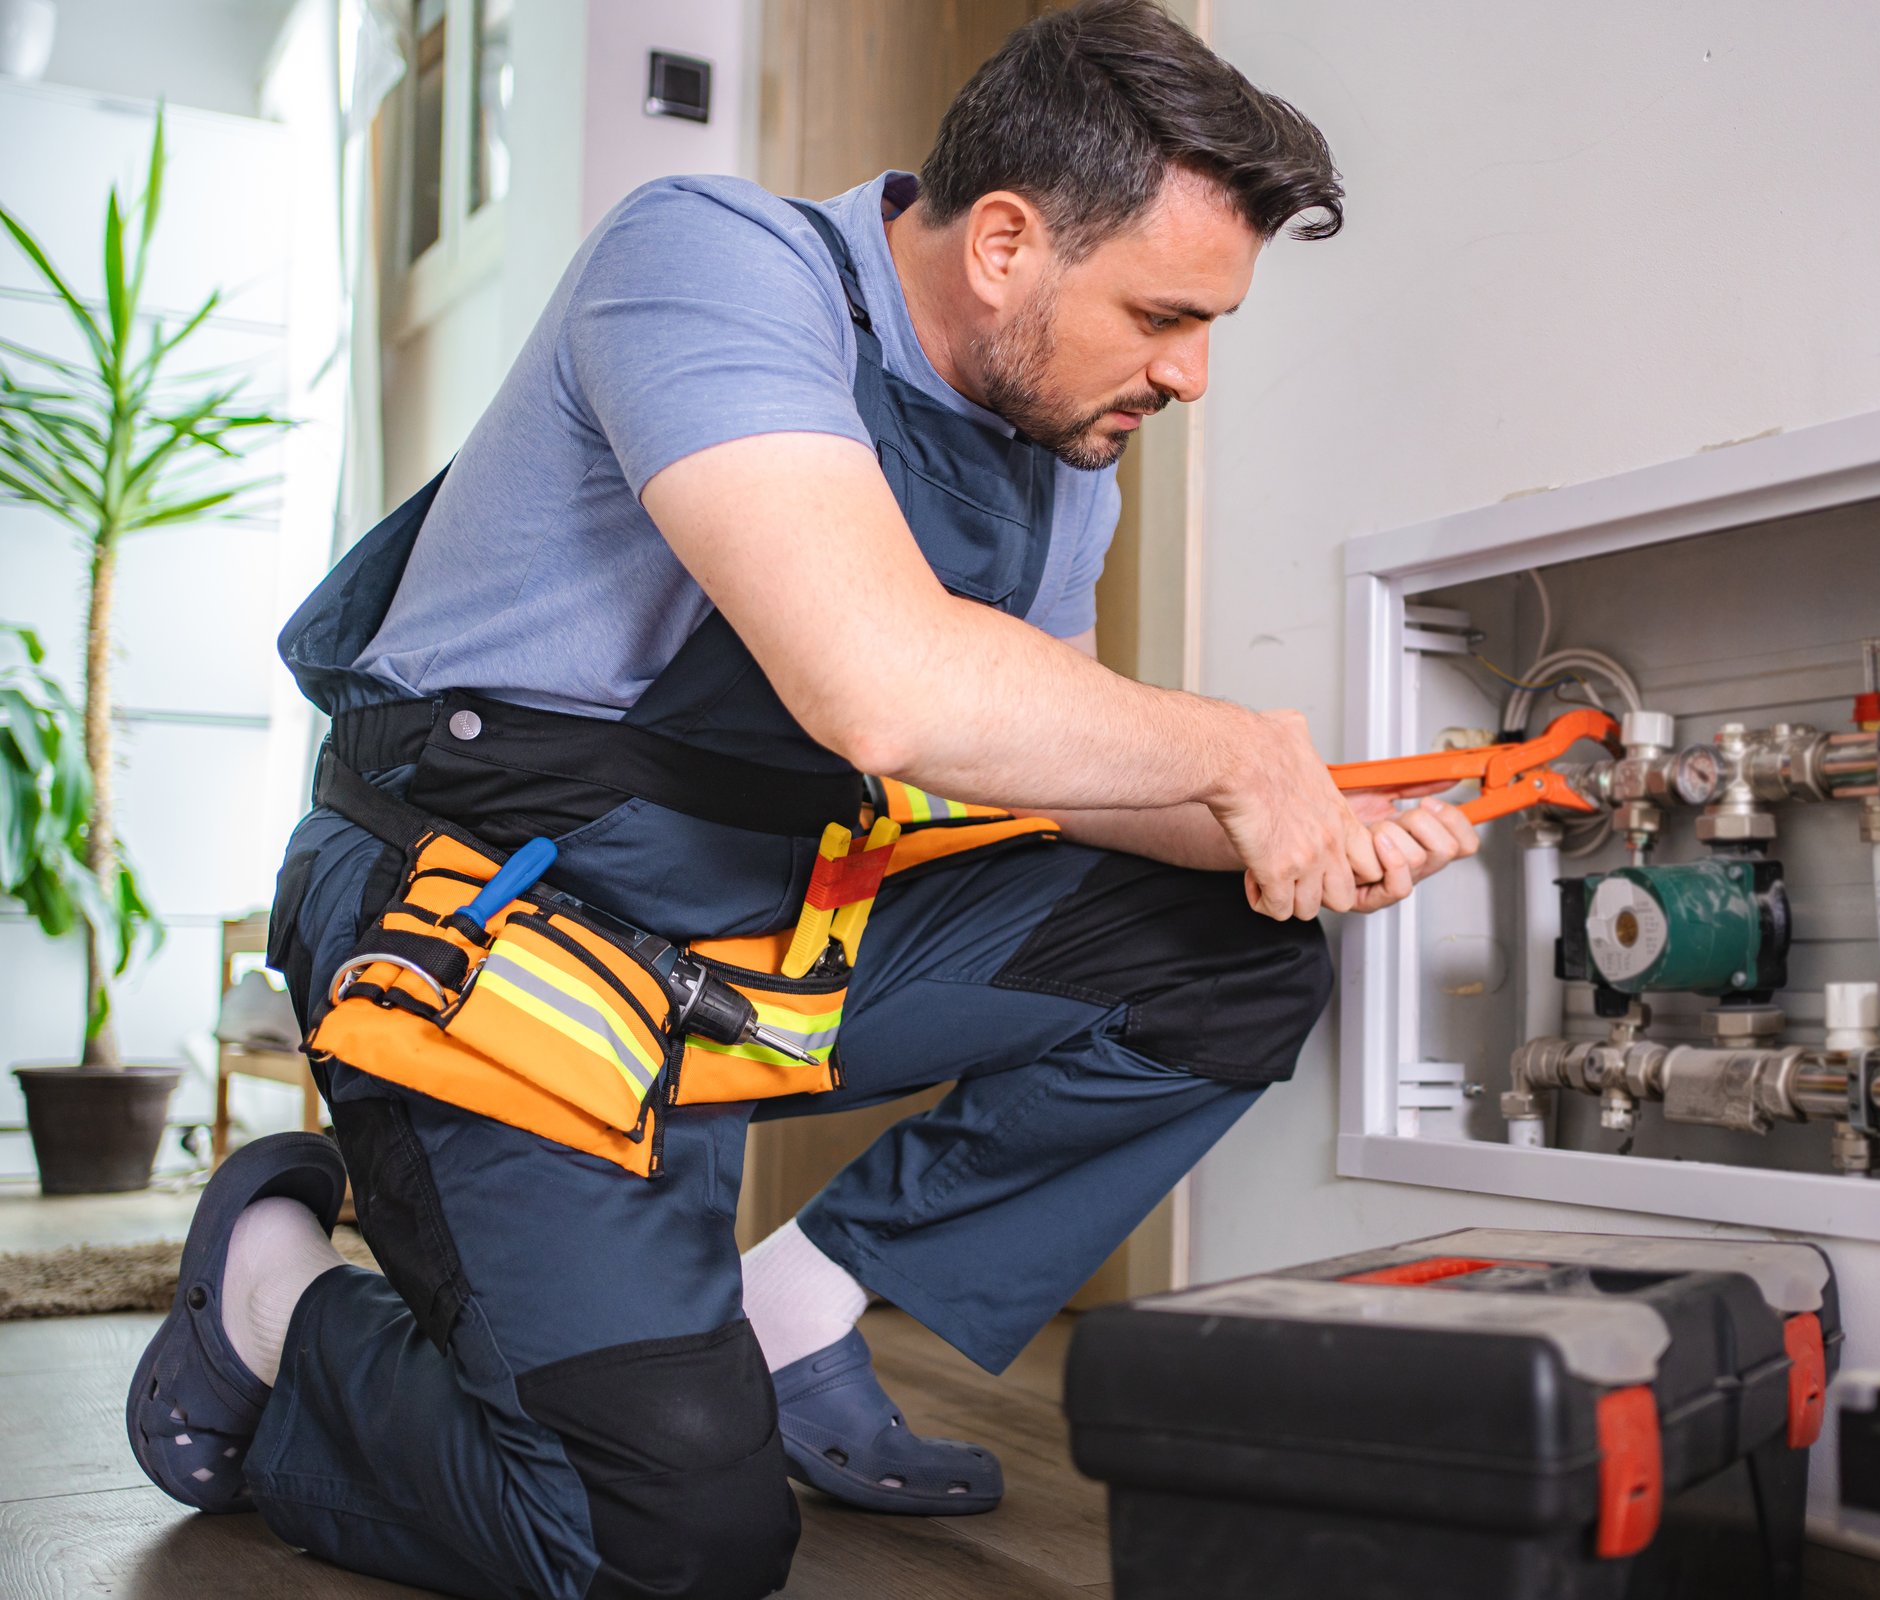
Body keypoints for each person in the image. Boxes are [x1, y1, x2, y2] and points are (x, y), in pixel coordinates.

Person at [126, 3, 1476, 1594]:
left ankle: (792, 1313)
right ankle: (279, 1306)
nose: (1188, 372)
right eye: (1163, 315)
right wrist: (1240, 755)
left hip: (746, 940)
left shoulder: (1058, 451)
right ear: (1003, 244)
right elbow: (877, 685)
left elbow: (1046, 764)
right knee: (667, 1542)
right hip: (490, 923)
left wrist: (1299, 833)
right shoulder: (709, 261)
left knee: (1235, 952)